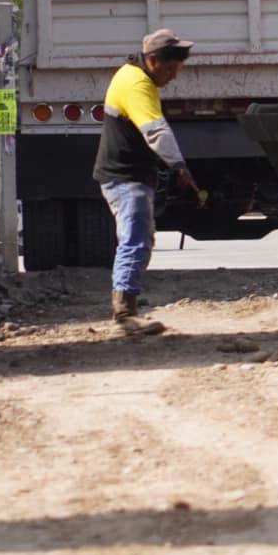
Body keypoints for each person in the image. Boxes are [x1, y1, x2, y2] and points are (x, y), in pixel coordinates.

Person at [92, 28, 199, 336]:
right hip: (125, 177)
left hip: (129, 175)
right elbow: (156, 131)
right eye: (170, 68)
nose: (174, 76)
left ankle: (128, 301)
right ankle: (125, 313)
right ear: (152, 60)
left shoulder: (135, 76)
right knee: (135, 239)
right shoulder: (136, 83)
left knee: (139, 238)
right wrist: (179, 165)